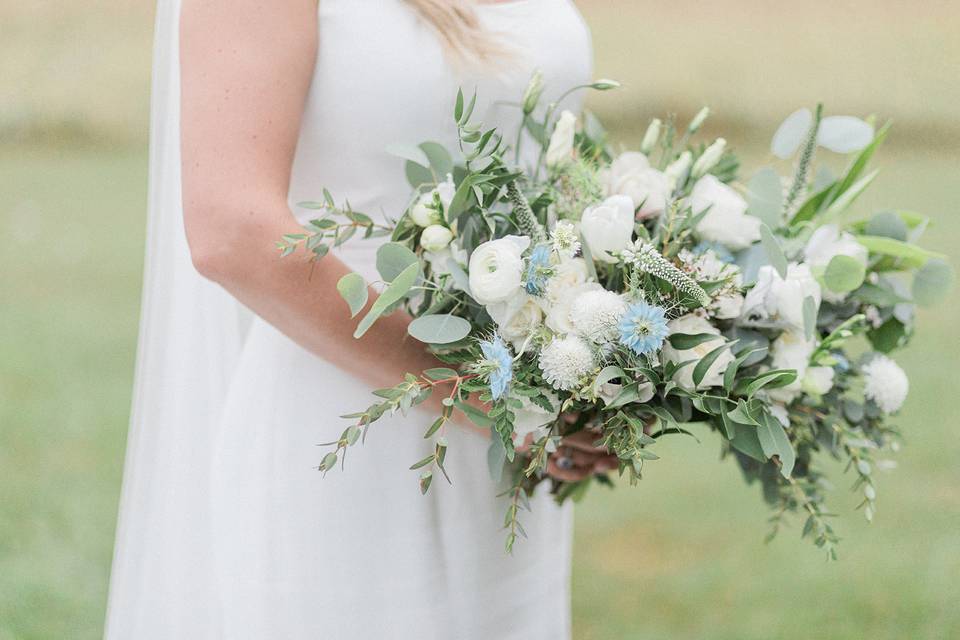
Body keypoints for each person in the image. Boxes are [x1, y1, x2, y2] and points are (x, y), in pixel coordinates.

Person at [105, 1, 605, 637]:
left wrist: (602, 352)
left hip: (510, 456)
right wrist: (489, 400)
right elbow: (233, 232)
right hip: (348, 433)